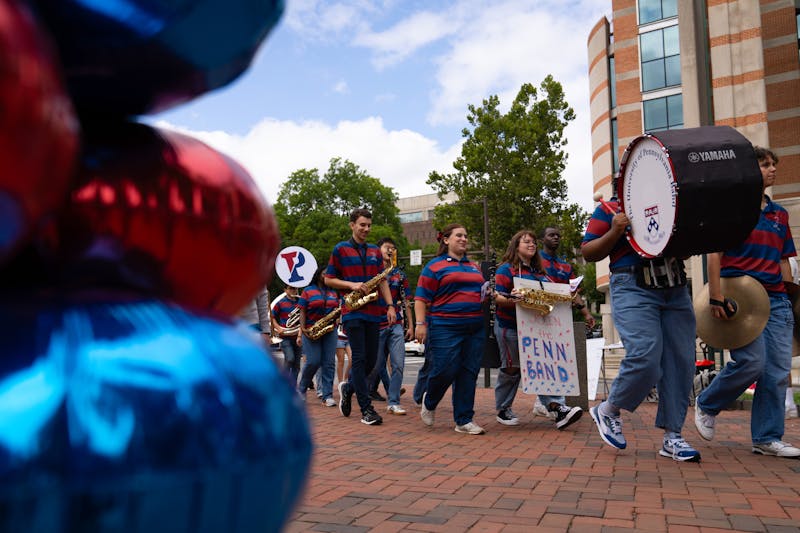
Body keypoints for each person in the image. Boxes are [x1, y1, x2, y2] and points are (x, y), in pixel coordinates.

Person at [694, 147, 800, 458]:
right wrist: (715, 295)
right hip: (738, 299)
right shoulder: (730, 209)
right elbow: (715, 253)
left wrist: (793, 296)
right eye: (764, 164)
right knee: (752, 362)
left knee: (778, 371)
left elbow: (785, 259)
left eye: (773, 165)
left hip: (777, 299)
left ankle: (767, 438)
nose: (772, 169)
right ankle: (707, 403)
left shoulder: (780, 214)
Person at [582, 193, 700, 462]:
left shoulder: (668, 203)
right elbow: (589, 252)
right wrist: (615, 230)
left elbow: (684, 249)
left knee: (681, 362)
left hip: (674, 284)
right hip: (632, 283)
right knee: (645, 354)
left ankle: (673, 436)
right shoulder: (609, 208)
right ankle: (609, 409)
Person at [493, 230, 583, 429]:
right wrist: (512, 298)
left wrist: (571, 297)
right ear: (516, 246)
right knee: (512, 368)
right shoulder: (505, 270)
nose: (531, 245)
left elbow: (553, 294)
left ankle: (557, 408)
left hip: (536, 329)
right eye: (526, 242)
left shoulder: (541, 274)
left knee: (543, 365)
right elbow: (497, 298)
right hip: (510, 327)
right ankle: (503, 408)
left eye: (533, 242)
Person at [324, 207, 396, 426]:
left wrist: (391, 305)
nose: (366, 229)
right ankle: (367, 409)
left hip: (374, 312)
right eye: (362, 224)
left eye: (369, 225)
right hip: (352, 311)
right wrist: (351, 284)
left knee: (373, 361)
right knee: (360, 357)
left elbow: (382, 279)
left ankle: (348, 388)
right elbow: (329, 279)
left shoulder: (375, 251)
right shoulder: (340, 249)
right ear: (352, 225)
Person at [414, 223, 487, 435]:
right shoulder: (434, 267)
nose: (463, 239)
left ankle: (464, 420)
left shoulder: (474, 267)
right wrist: (420, 324)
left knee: (468, 373)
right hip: (445, 327)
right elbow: (420, 298)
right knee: (445, 369)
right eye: (458, 236)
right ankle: (430, 400)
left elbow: (482, 294)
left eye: (465, 235)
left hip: (474, 328)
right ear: (446, 240)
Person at [535, 226, 596, 418]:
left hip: (561, 318)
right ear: (542, 239)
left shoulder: (565, 266)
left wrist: (586, 313)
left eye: (558, 236)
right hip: (539, 315)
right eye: (551, 235)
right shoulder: (535, 261)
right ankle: (543, 402)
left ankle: (546, 402)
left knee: (557, 359)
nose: (556, 238)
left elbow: (573, 292)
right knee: (542, 358)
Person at [367, 237, 413, 415]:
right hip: (376, 324)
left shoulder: (399, 275)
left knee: (398, 364)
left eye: (393, 248)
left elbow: (407, 301)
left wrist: (412, 325)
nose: (390, 251)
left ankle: (393, 402)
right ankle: (351, 386)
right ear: (378, 250)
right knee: (375, 366)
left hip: (396, 325)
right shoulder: (371, 272)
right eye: (387, 247)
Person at [296, 266, 339, 407]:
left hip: (330, 330)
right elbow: (302, 311)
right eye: (324, 272)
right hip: (311, 330)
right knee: (313, 361)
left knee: (329, 363)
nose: (327, 274)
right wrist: (302, 328)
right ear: (318, 274)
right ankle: (301, 389)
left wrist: (337, 317)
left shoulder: (334, 291)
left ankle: (327, 395)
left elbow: (337, 309)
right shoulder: (308, 291)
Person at [272, 285, 302, 383]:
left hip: (298, 336)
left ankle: (292, 386)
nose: (294, 290)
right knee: (290, 359)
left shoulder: (301, 302)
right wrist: (278, 328)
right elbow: (272, 317)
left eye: (295, 288)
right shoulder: (280, 303)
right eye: (291, 288)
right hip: (285, 337)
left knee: (297, 364)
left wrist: (300, 335)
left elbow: (304, 318)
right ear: (285, 290)